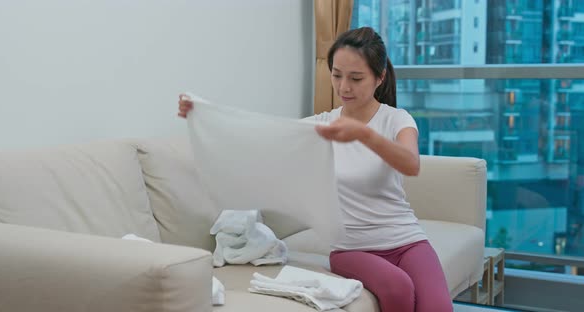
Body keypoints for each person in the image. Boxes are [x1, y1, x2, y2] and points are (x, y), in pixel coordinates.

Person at [178, 27, 453, 312]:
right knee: (399, 288)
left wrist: (362, 133)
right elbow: (258, 136)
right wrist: (202, 113)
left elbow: (410, 163)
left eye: (356, 78)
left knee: (439, 308)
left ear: (379, 77)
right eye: (336, 75)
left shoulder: (396, 119)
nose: (343, 87)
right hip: (352, 249)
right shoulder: (321, 126)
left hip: (407, 241)